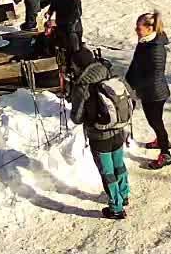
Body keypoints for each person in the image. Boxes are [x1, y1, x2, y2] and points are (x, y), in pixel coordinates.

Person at [64, 47, 134, 220]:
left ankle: (116, 208)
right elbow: (130, 96)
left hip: (98, 136)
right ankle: (124, 195)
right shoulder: (109, 72)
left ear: (77, 66)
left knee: (107, 172)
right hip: (119, 129)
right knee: (119, 164)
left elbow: (77, 118)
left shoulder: (83, 85)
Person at [126, 11, 171, 169]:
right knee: (155, 121)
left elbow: (154, 75)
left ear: (150, 28)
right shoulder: (145, 42)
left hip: (155, 93)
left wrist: (136, 89)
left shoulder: (156, 49)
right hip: (149, 91)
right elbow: (136, 63)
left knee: (156, 122)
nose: (136, 31)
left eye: (139, 28)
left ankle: (165, 153)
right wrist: (128, 81)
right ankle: (161, 141)